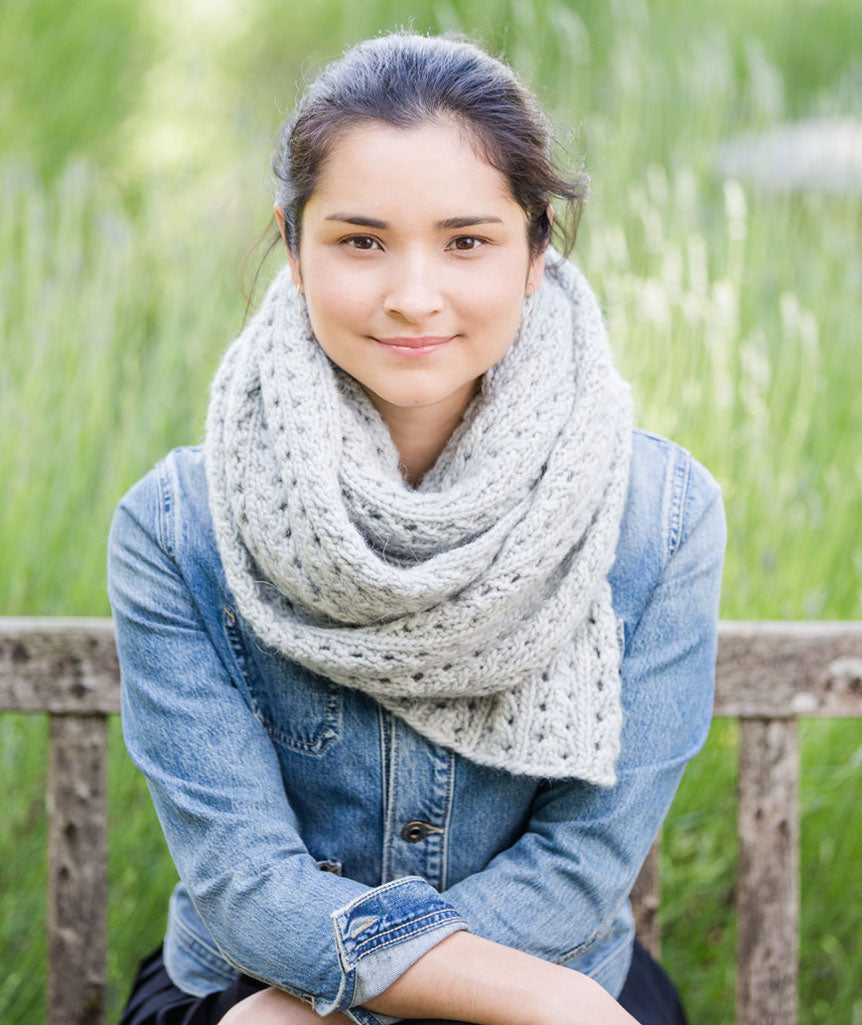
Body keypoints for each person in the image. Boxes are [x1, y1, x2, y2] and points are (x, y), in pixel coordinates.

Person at [108, 30, 726, 1025]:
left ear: (536, 250)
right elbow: (241, 880)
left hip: (546, 972)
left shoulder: (659, 517)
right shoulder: (176, 527)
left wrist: (336, 1005)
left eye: (466, 240)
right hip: (255, 982)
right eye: (360, 239)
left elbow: (581, 868)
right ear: (293, 244)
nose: (411, 295)